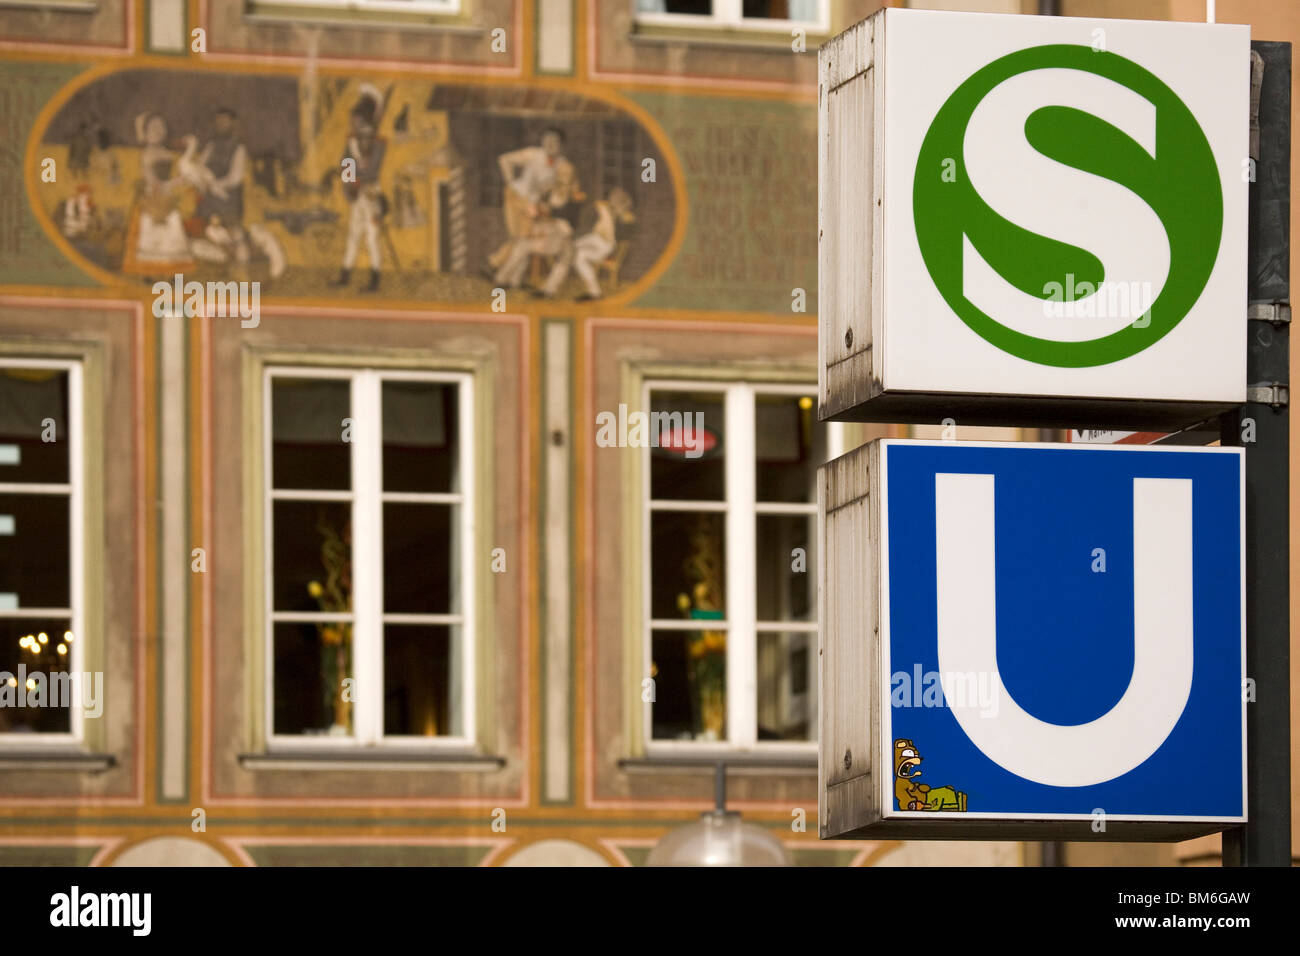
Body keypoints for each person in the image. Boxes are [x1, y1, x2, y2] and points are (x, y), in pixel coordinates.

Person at [487, 128, 582, 272]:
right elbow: (504, 159)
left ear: (561, 144)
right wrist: (510, 182)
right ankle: (496, 267)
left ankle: (504, 272)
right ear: (542, 141)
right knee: (520, 236)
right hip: (516, 197)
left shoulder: (562, 163)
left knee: (524, 237)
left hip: (532, 202)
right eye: (547, 140)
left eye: (554, 141)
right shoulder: (533, 154)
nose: (550, 144)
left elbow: (570, 182)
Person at [537, 186, 634, 300]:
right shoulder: (606, 209)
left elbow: (611, 229)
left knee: (579, 256)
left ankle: (594, 292)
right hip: (595, 239)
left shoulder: (611, 212)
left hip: (603, 245)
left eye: (618, 198)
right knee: (568, 251)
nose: (614, 199)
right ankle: (549, 289)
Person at [333, 90, 387, 292]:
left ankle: (375, 280)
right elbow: (345, 164)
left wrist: (359, 176)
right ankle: (345, 275)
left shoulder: (378, 144)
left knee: (372, 237)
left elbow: (373, 170)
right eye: (353, 119)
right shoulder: (352, 142)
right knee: (353, 234)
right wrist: (350, 186)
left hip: (371, 194)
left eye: (357, 119)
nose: (353, 123)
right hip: (357, 195)